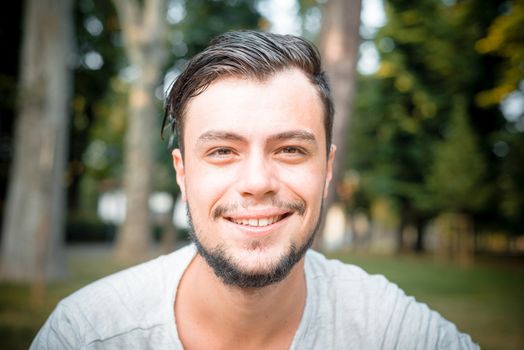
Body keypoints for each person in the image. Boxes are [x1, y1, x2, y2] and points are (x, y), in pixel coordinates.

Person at [31, 30, 479, 349]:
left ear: (327, 171)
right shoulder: (86, 333)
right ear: (182, 174)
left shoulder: (390, 330)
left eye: (289, 150)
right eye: (223, 151)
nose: (257, 183)